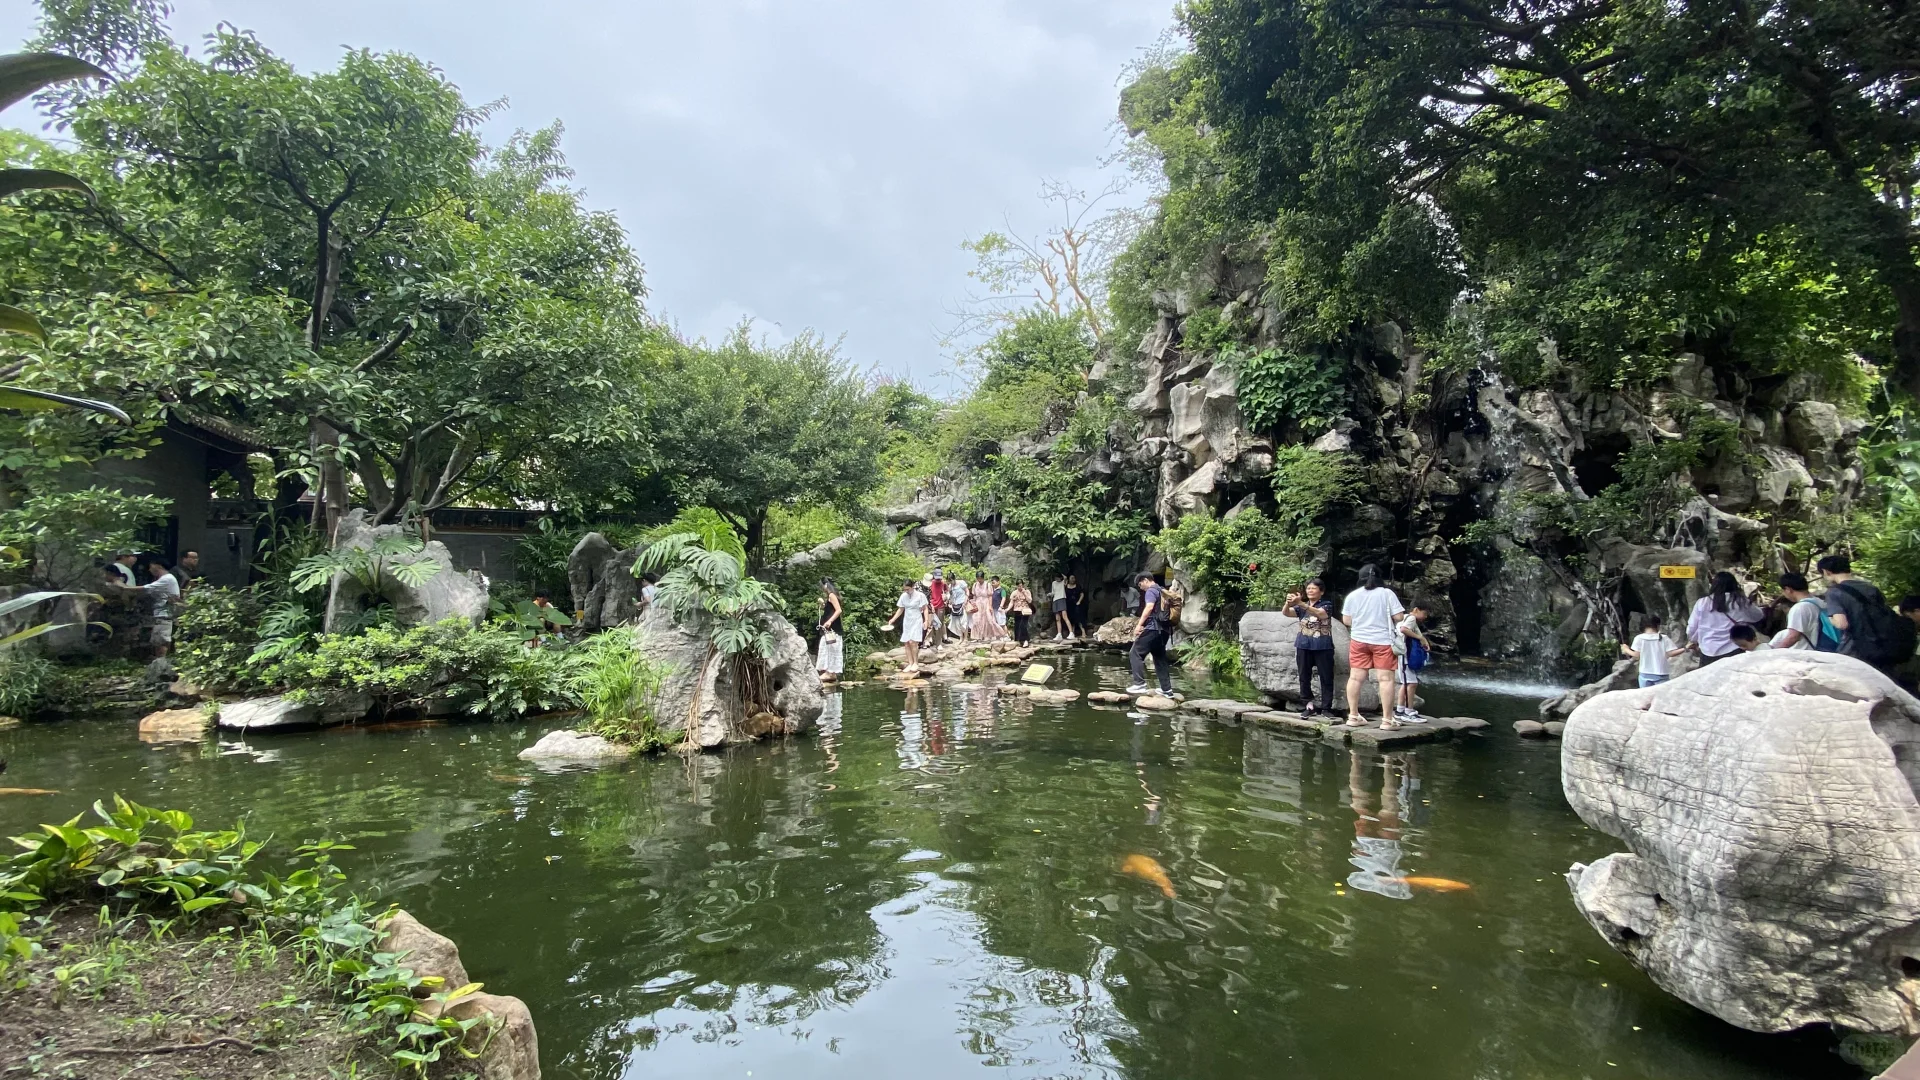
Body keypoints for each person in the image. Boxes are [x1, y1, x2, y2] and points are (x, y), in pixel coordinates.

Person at [1818, 554, 1917, 676]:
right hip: (1883, 645)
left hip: (1855, 649)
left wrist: (1830, 618)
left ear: (1826, 572)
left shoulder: (1834, 592)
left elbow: (1841, 624)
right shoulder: (1870, 587)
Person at [1341, 565, 1405, 729]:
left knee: (1355, 678)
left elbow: (1347, 621)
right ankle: (1387, 721)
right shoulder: (1387, 593)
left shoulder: (1352, 595)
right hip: (1383, 641)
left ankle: (1353, 717)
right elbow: (1398, 616)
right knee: (1385, 679)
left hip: (1358, 641)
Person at [1687, 571, 1764, 665]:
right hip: (1733, 648)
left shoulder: (1702, 602)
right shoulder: (1739, 601)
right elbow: (1758, 616)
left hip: (1708, 650)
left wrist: (1694, 640)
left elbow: (1692, 627)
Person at [1284, 580, 1336, 716]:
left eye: (1314, 588)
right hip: (1303, 645)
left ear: (1321, 592)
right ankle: (1309, 705)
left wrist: (1300, 603)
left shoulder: (1326, 604)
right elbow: (1287, 613)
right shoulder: (1302, 606)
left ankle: (1326, 708)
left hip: (1323, 646)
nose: (1310, 590)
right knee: (1304, 676)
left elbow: (1320, 614)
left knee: (1326, 677)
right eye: (1308, 588)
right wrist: (1288, 603)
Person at [1125, 572, 1177, 698]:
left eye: (1140, 584)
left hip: (1154, 628)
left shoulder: (1151, 591)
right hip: (1165, 631)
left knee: (1135, 652)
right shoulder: (1163, 590)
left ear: (1146, 580)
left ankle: (1139, 684)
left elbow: (1149, 607)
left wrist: (1139, 625)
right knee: (1159, 658)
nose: (1140, 587)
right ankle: (1167, 690)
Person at [1771, 573, 1833, 651]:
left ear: (1788, 589)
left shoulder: (1799, 608)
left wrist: (1775, 652)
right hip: (1826, 647)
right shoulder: (1819, 602)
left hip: (1808, 653)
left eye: (1783, 591)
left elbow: (1793, 637)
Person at [1622, 615, 1686, 687]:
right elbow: (1671, 653)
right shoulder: (1663, 638)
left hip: (1645, 673)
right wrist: (1685, 648)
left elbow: (1637, 655)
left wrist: (1626, 649)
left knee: (1646, 696)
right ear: (1658, 626)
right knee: (1661, 696)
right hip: (1661, 673)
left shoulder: (1639, 638)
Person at [1394, 602, 1432, 723]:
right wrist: (1420, 638)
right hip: (1405, 656)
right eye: (1424, 613)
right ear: (1416, 609)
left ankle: (1400, 710)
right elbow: (1404, 629)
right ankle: (1408, 711)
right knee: (1412, 683)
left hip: (1403, 656)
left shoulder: (1404, 617)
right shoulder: (1411, 618)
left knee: (1406, 683)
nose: (1425, 617)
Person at [882, 578, 929, 672]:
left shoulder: (920, 595)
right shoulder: (903, 596)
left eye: (908, 589)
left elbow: (925, 608)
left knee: (913, 642)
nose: (906, 591)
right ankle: (910, 663)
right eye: (905, 589)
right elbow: (901, 609)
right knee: (906, 642)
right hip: (907, 620)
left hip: (916, 619)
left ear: (912, 587)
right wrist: (893, 619)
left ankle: (916, 663)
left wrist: (926, 621)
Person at [142, 558, 181, 658]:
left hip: (164, 614)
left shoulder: (167, 578)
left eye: (151, 567)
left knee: (161, 641)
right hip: (162, 614)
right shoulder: (163, 579)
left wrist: (125, 588)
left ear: (158, 565)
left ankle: (162, 662)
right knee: (158, 640)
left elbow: (147, 588)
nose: (149, 570)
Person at [816, 578, 844, 680]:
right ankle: (831, 673)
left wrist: (830, 621)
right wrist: (823, 604)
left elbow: (838, 610)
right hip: (830, 629)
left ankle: (830, 673)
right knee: (828, 648)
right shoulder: (830, 596)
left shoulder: (832, 595)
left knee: (831, 648)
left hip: (833, 628)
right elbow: (830, 610)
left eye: (822, 586)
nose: (822, 589)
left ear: (826, 585)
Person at [926, 571, 947, 649]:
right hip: (932, 606)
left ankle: (939, 643)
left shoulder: (943, 583)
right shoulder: (930, 583)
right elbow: (928, 595)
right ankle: (929, 640)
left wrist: (946, 597)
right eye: (937, 578)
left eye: (939, 578)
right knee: (930, 624)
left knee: (939, 624)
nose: (938, 580)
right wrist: (930, 604)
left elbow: (947, 592)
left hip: (941, 605)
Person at [1050, 575, 1072, 639]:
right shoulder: (1053, 583)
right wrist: (1050, 594)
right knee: (1057, 618)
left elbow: (1065, 578)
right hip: (1055, 600)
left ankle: (1071, 633)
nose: (1056, 578)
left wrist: (1060, 573)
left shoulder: (1063, 582)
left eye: (1058, 577)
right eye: (1055, 577)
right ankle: (1059, 634)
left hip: (1062, 599)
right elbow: (1053, 592)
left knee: (1065, 616)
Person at [1067, 574, 1089, 639]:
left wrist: (1079, 601)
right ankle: (1072, 632)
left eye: (1074, 578)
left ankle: (1083, 632)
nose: (1073, 579)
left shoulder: (1078, 586)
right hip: (1069, 605)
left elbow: (1082, 594)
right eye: (1071, 578)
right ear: (1068, 579)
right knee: (1071, 619)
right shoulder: (1066, 586)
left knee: (1079, 618)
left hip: (1077, 604)